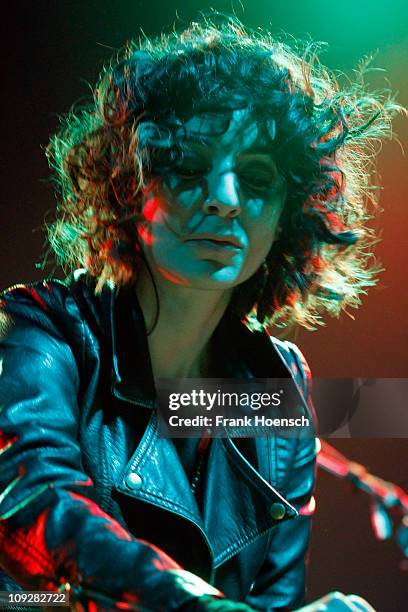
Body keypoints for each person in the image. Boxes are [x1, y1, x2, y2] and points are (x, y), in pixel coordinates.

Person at [0, 17, 401, 612]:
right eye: (189, 166)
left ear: (287, 216)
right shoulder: (41, 334)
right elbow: (35, 508)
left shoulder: (275, 388)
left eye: (257, 177)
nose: (225, 198)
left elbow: (273, 599)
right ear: (127, 183)